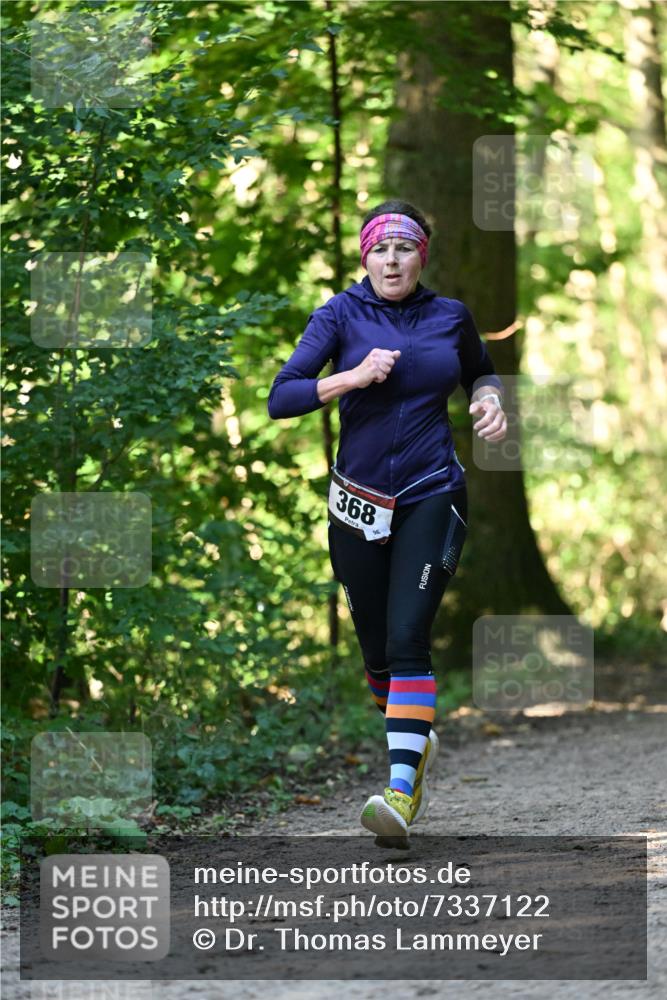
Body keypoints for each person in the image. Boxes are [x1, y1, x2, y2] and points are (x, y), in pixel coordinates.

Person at [268, 200, 507, 842]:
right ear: (365, 255)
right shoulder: (339, 314)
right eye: (381, 248)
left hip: (432, 490)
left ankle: (400, 792)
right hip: (357, 501)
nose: (392, 259)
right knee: (377, 656)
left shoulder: (449, 317)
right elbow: (281, 396)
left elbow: (482, 373)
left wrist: (489, 403)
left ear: (420, 256)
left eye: (405, 248)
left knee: (408, 638)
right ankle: (414, 742)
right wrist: (350, 377)